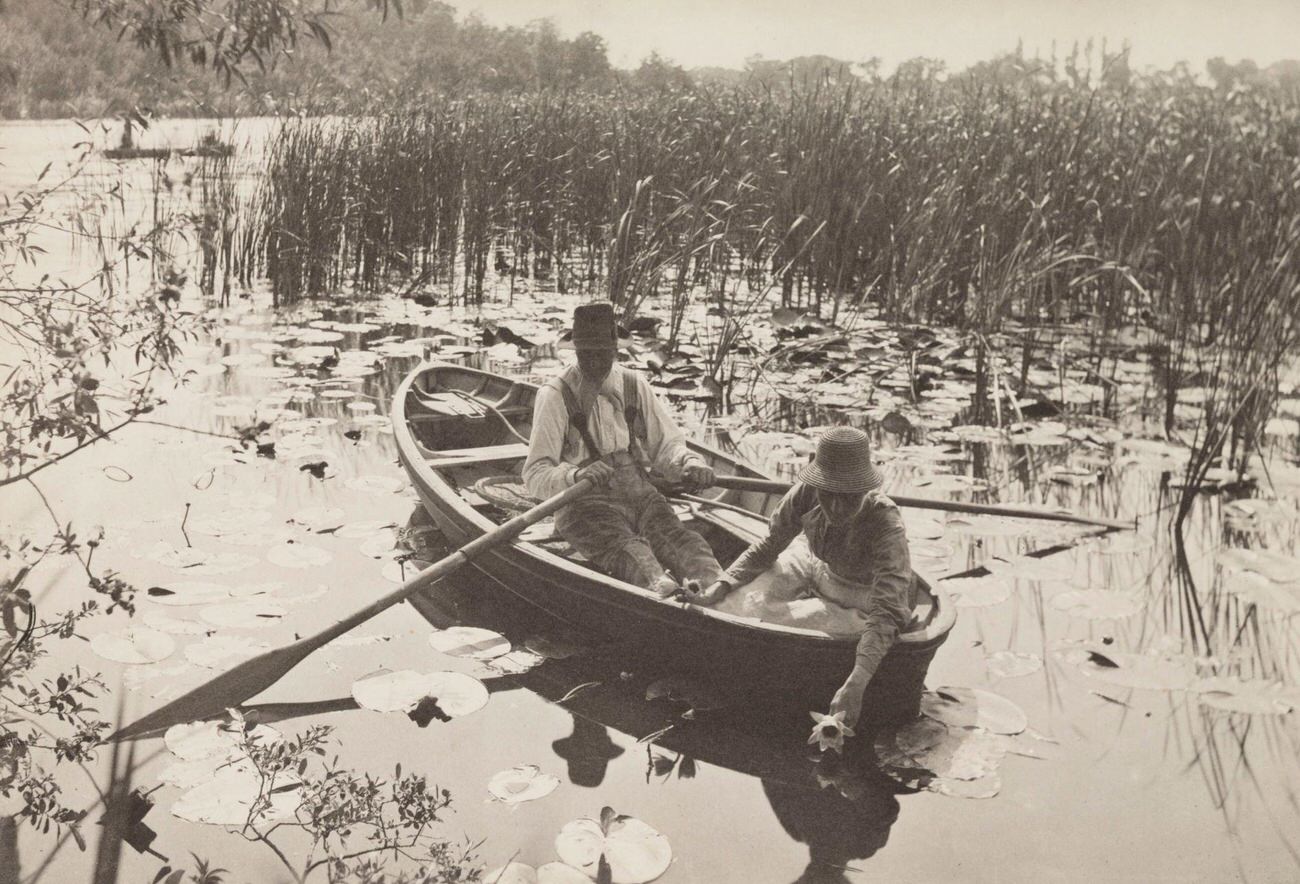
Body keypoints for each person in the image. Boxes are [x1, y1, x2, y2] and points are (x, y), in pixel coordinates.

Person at [686, 427, 915, 730]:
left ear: (863, 490)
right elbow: (769, 546)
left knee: (802, 627)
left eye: (847, 498)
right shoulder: (807, 491)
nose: (835, 507)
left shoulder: (885, 522)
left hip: (861, 596)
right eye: (828, 494)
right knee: (738, 602)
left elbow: (888, 610)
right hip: (814, 563)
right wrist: (722, 584)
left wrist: (856, 683)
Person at [523, 302, 725, 597]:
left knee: (686, 545)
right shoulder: (555, 395)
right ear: (575, 349)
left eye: (602, 352)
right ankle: (667, 599)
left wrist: (689, 462)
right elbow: (534, 475)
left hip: (641, 495)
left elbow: (666, 445)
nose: (593, 360)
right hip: (585, 505)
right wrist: (576, 475)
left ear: (616, 348)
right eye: (585, 352)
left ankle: (721, 594)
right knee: (635, 557)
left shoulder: (634, 384)